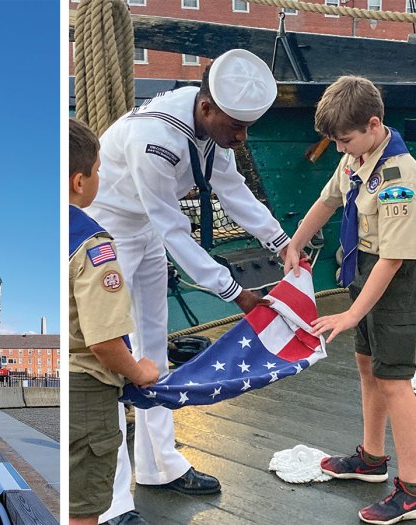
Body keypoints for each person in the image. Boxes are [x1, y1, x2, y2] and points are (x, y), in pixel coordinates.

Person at [85, 49, 291, 525]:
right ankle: (111, 501)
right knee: (119, 361)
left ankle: (159, 465)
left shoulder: (208, 129)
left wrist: (283, 243)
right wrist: (234, 292)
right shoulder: (154, 139)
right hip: (107, 239)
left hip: (145, 234)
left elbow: (233, 189)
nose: (241, 138)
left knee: (154, 351)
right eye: (236, 127)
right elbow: (176, 228)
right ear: (208, 108)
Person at [284, 76, 416, 525]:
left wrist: (350, 313)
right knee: (367, 363)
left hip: (395, 282)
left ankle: (413, 488)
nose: (340, 149)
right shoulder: (356, 159)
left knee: (395, 379)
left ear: (374, 124)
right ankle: (372, 459)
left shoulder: (399, 176)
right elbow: (327, 202)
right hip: (362, 271)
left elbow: (395, 260)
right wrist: (296, 243)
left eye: (345, 140)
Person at [69, 117, 160, 525]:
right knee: (83, 510)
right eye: (98, 170)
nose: (100, 178)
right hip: (87, 393)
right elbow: (104, 341)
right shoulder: (93, 244)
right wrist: (139, 370)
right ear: (79, 181)